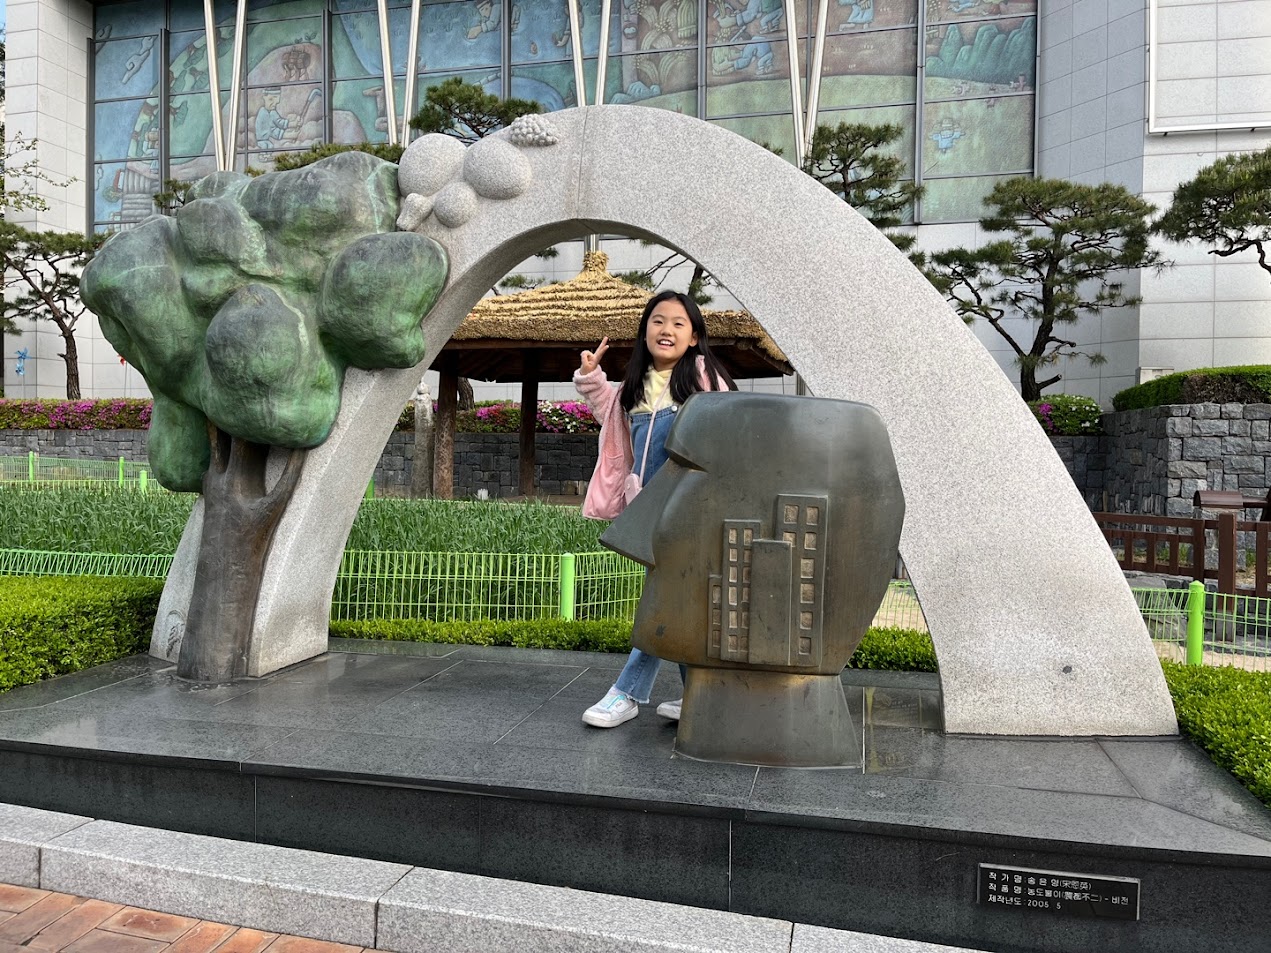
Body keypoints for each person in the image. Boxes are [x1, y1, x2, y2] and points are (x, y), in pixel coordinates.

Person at [573, 290, 736, 728]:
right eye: (658, 321)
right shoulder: (635, 385)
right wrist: (590, 377)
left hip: (689, 510)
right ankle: (700, 696)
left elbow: (728, 428)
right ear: (645, 331)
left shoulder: (702, 376)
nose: (667, 329)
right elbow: (609, 415)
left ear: (694, 336)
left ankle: (626, 692)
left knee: (663, 596)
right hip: (647, 507)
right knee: (676, 598)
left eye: (679, 323)